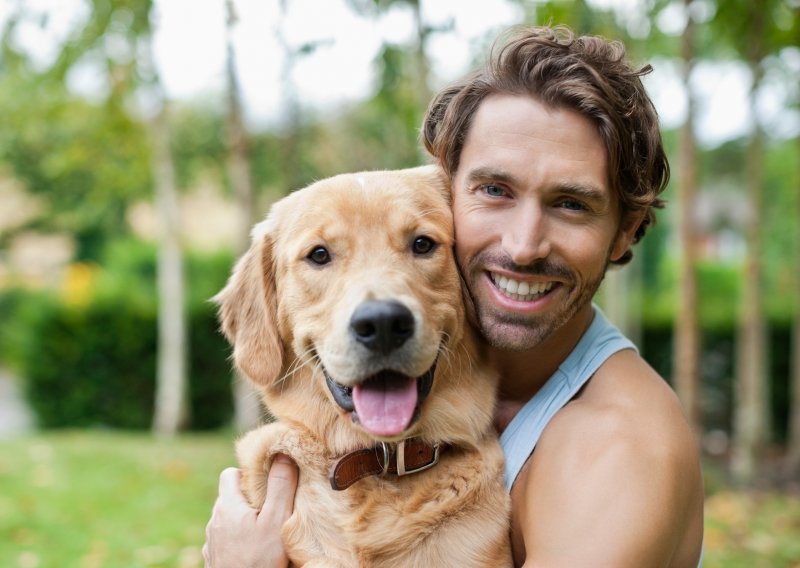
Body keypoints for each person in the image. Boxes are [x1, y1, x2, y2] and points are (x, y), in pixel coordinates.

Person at [203, 25, 704, 567]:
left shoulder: (615, 451)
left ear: (627, 230)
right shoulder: (461, 403)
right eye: (495, 190)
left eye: (571, 204)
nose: (523, 245)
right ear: (452, 187)